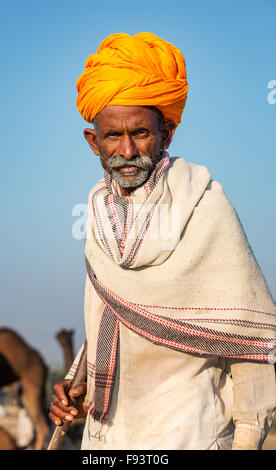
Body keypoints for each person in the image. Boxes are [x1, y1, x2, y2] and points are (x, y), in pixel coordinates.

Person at [49, 33, 276, 450]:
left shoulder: (205, 206)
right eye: (113, 137)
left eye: (141, 133)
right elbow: (118, 310)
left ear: (166, 134)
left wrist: (248, 438)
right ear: (92, 141)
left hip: (192, 432)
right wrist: (76, 384)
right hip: (108, 436)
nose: (128, 150)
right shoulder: (100, 215)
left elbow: (250, 339)